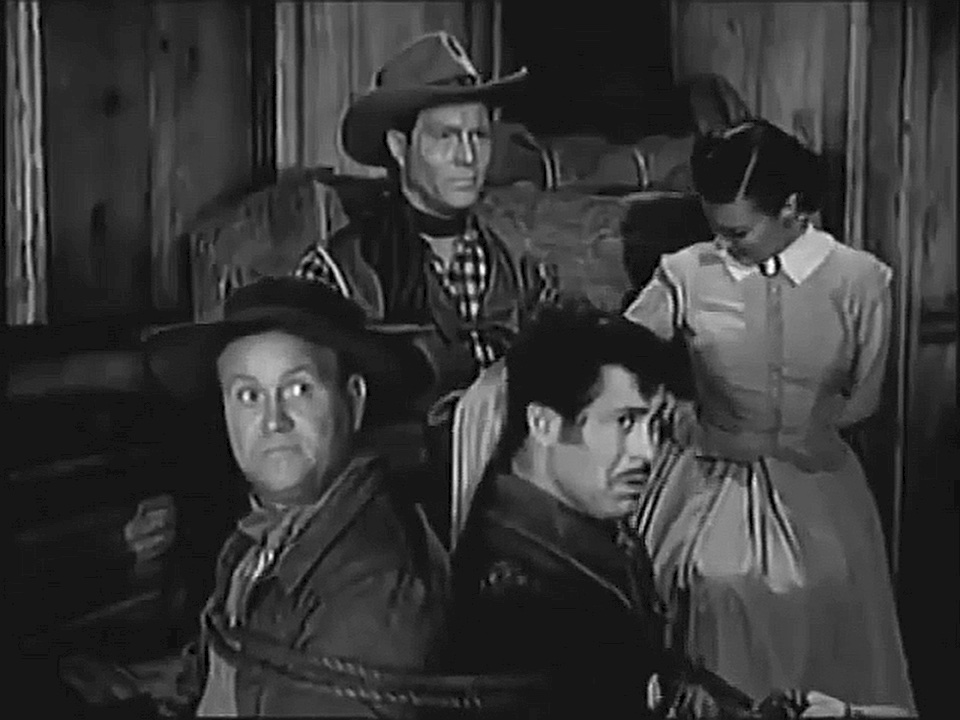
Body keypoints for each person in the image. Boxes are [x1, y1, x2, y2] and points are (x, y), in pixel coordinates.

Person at [623, 119, 916, 711]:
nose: (723, 245)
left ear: (791, 209)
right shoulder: (687, 273)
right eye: (715, 229)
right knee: (717, 583)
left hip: (819, 487)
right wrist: (678, 417)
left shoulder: (860, 280)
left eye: (738, 232)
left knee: (828, 589)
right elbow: (615, 359)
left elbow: (866, 397)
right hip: (712, 478)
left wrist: (805, 433)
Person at [140, 276, 449, 717]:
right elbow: (206, 680)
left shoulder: (375, 580)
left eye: (299, 389)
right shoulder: (259, 539)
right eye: (249, 395)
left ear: (353, 401)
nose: (273, 420)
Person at [448, 301, 756, 719]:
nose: (648, 451)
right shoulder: (516, 589)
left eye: (653, 426)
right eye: (625, 422)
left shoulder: (592, 534)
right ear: (544, 423)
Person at [294, 31, 559, 397]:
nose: (467, 158)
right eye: (446, 137)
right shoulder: (338, 273)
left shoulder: (523, 267)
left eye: (478, 136)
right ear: (399, 147)